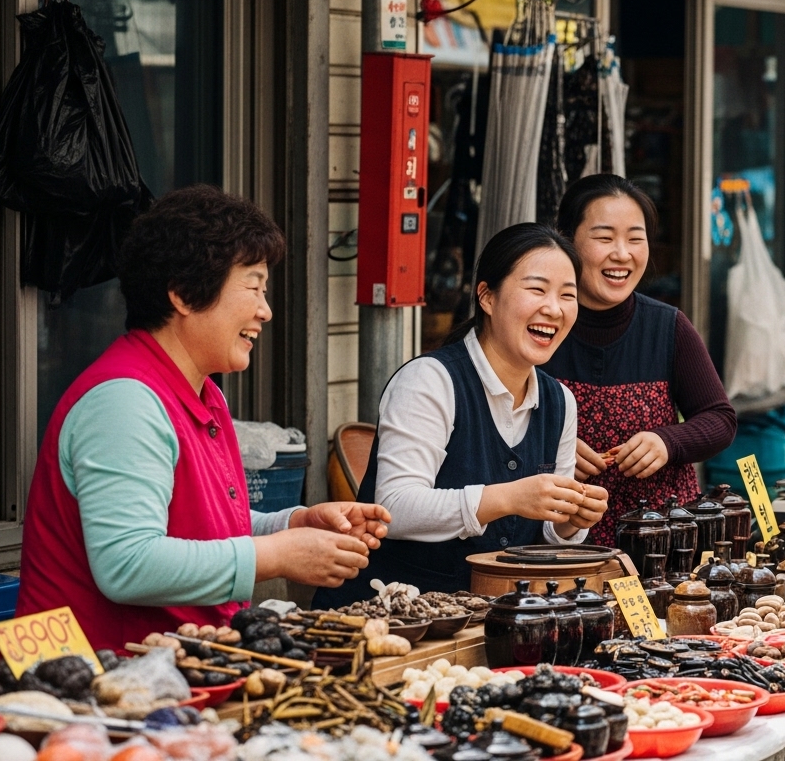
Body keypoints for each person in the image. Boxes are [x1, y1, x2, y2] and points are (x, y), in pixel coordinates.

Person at [17, 185, 391, 651]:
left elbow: (200, 527)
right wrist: (274, 555)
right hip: (86, 680)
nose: (265, 310)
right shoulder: (124, 401)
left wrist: (293, 525)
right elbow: (126, 563)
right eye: (253, 286)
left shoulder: (203, 392)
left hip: (173, 668)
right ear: (184, 294)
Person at [315, 223, 609, 602]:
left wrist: (570, 521)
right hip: (385, 616)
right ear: (486, 297)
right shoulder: (430, 380)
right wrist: (508, 498)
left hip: (491, 623)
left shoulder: (559, 403)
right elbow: (394, 506)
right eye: (536, 289)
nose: (553, 308)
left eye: (567, 295)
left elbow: (548, 532)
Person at [545, 174, 736, 547]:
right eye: (604, 238)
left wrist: (667, 441)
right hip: (559, 540)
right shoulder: (541, 326)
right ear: (565, 240)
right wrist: (549, 450)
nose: (622, 253)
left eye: (636, 238)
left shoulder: (668, 326)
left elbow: (720, 420)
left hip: (661, 541)